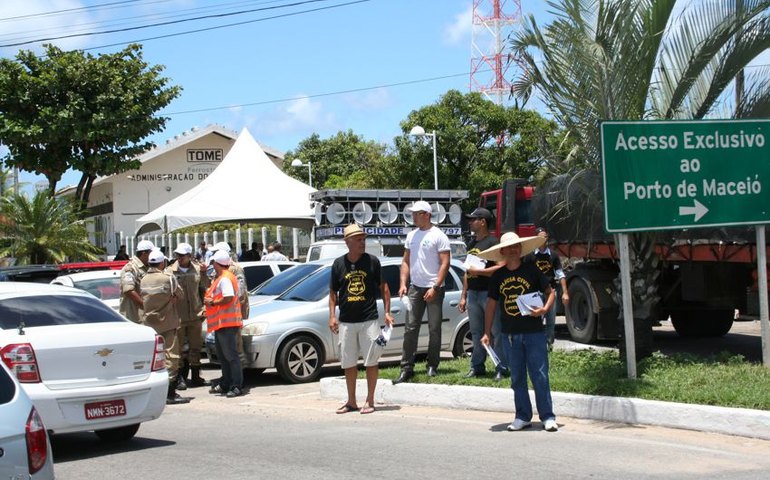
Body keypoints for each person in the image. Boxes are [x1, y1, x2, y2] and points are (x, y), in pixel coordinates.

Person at [480, 232, 558, 432]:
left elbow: (551, 292)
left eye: (516, 246)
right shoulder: (498, 276)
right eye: (509, 247)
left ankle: (548, 416)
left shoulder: (532, 270)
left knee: (540, 374)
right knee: (517, 377)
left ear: (520, 249)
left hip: (534, 332)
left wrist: (544, 310)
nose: (513, 250)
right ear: (502, 251)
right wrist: (486, 332)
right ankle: (522, 416)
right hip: (509, 335)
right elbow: (491, 305)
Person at [329, 224, 394, 414]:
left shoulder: (372, 261)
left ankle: (370, 400)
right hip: (347, 321)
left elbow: (384, 288)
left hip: (369, 319)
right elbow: (333, 292)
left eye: (363, 239)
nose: (362, 242)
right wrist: (332, 316)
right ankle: (351, 401)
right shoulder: (338, 264)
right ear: (347, 242)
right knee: (348, 362)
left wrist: (387, 312)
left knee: (371, 360)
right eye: (358, 239)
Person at [393, 201, 451, 384]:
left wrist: (435, 286)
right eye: (413, 214)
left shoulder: (439, 236)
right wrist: (403, 283)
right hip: (415, 287)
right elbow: (405, 261)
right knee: (410, 327)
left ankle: (432, 364)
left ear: (426, 214)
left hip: (434, 287)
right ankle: (406, 367)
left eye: (416, 214)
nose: (413, 217)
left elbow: (445, 263)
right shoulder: (411, 235)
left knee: (434, 327)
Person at [458, 207, 508, 381]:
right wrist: (463, 295)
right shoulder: (471, 244)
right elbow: (467, 271)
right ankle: (477, 366)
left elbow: (501, 266)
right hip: (473, 293)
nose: (470, 222)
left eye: (473, 219)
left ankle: (501, 366)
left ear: (483, 222)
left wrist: (481, 272)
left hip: (489, 294)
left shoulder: (493, 243)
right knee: (476, 331)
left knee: (496, 332)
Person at [140, 248, 189, 405]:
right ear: (162, 263)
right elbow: (180, 295)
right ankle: (170, 393)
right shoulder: (168, 278)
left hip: (149, 324)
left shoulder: (143, 279)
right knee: (171, 358)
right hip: (167, 323)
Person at [167, 242, 209, 390]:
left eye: (182, 255)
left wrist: (204, 308)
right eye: (177, 255)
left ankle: (196, 376)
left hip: (195, 316)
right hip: (178, 316)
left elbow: (205, 290)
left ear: (189, 256)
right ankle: (180, 378)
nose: (179, 258)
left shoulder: (198, 270)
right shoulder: (169, 271)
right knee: (178, 350)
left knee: (195, 347)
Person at [204, 249, 244, 398]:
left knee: (230, 356)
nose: (212, 264)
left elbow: (228, 297)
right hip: (223, 324)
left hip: (227, 323)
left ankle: (236, 385)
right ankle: (227, 382)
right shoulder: (222, 277)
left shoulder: (225, 278)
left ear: (217, 263)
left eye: (213, 262)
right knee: (224, 356)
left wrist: (213, 302)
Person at [524, 227, 570, 347]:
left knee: (550, 321)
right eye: (540, 237)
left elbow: (560, 274)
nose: (543, 239)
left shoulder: (553, 255)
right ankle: (536, 345)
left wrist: (565, 292)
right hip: (535, 293)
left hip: (550, 292)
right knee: (536, 320)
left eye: (545, 237)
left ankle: (549, 345)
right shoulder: (530, 256)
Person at [119, 239, 155, 323]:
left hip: (146, 316)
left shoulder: (148, 267)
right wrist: (145, 306)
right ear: (144, 253)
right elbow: (128, 290)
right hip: (135, 317)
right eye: (151, 253)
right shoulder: (131, 268)